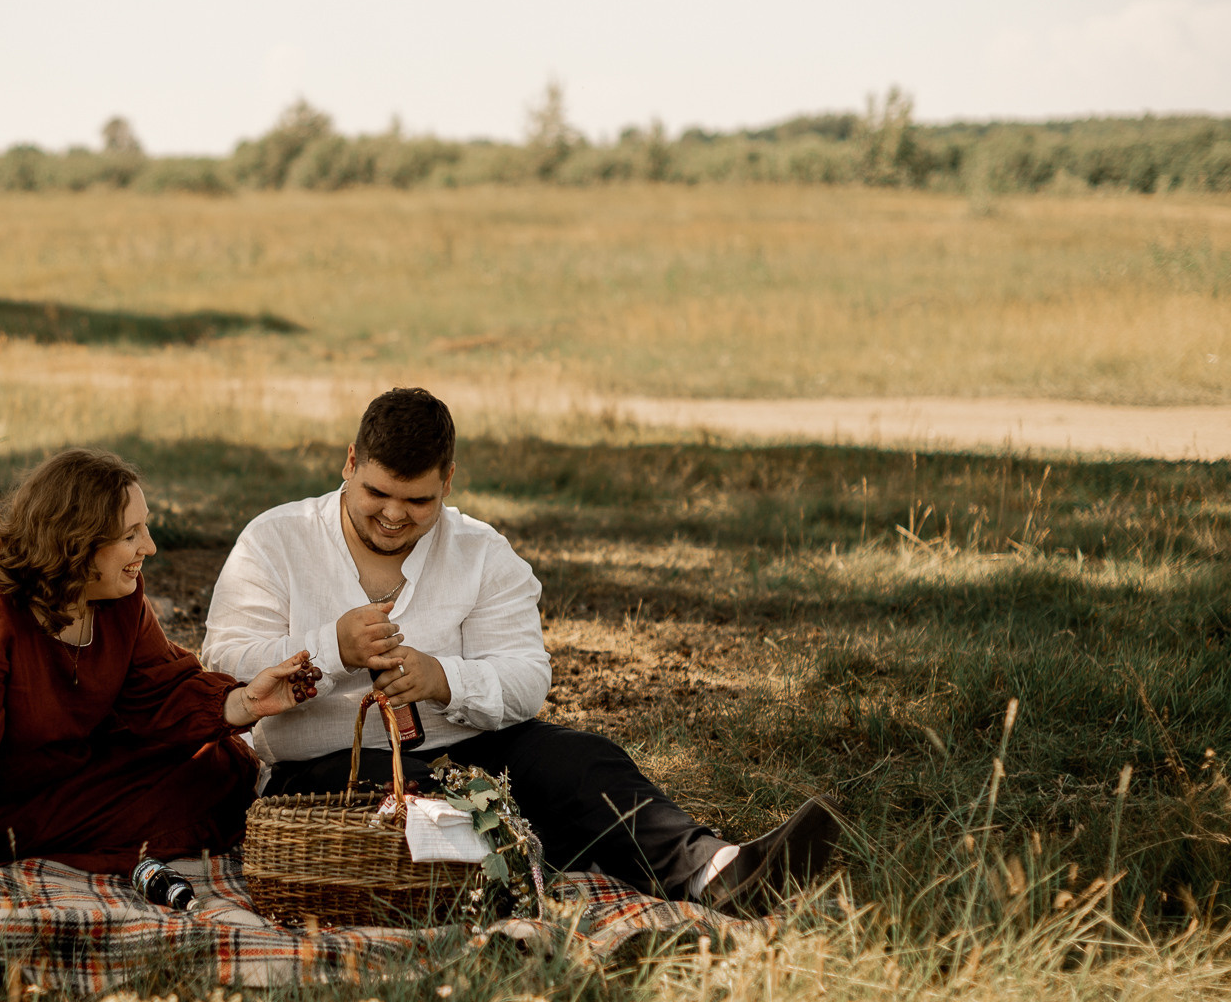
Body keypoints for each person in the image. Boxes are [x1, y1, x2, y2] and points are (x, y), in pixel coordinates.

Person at [200, 387, 837, 913]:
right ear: (348, 464)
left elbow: (527, 679)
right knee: (457, 800)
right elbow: (220, 667)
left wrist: (442, 678)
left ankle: (719, 872)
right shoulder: (276, 541)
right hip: (326, 772)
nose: (394, 515)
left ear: (448, 480)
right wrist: (330, 647)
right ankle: (531, 865)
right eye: (377, 495)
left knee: (581, 762)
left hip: (464, 747)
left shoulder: (482, 552)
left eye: (419, 500)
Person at [0, 447, 314, 894]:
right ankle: (5, 849)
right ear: (77, 544)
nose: (149, 547)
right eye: (131, 534)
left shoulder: (119, 593)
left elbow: (157, 689)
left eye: (146, 526)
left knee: (221, 769)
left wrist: (249, 701)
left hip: (52, 766)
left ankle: (58, 837)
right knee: (195, 792)